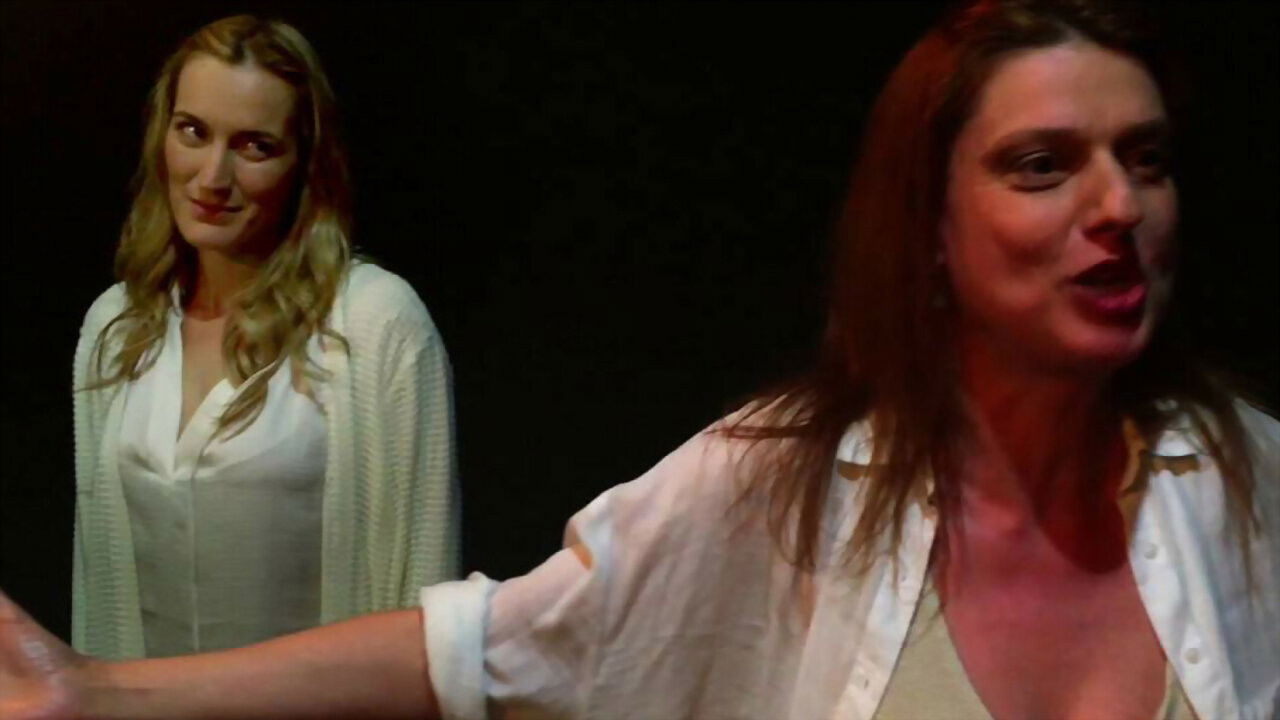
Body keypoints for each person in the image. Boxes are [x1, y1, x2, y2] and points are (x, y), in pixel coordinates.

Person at [2, 0, 1276, 718]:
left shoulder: (1247, 484)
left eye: (1146, 160)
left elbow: (408, 583)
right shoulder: (782, 483)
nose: (1118, 207)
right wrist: (94, 691)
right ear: (928, 225)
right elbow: (489, 642)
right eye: (1042, 165)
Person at [68, 15, 459, 660]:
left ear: (305, 164)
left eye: (254, 146)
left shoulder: (375, 323)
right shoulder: (117, 328)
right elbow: (101, 590)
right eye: (193, 132)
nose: (211, 177)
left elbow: (423, 596)